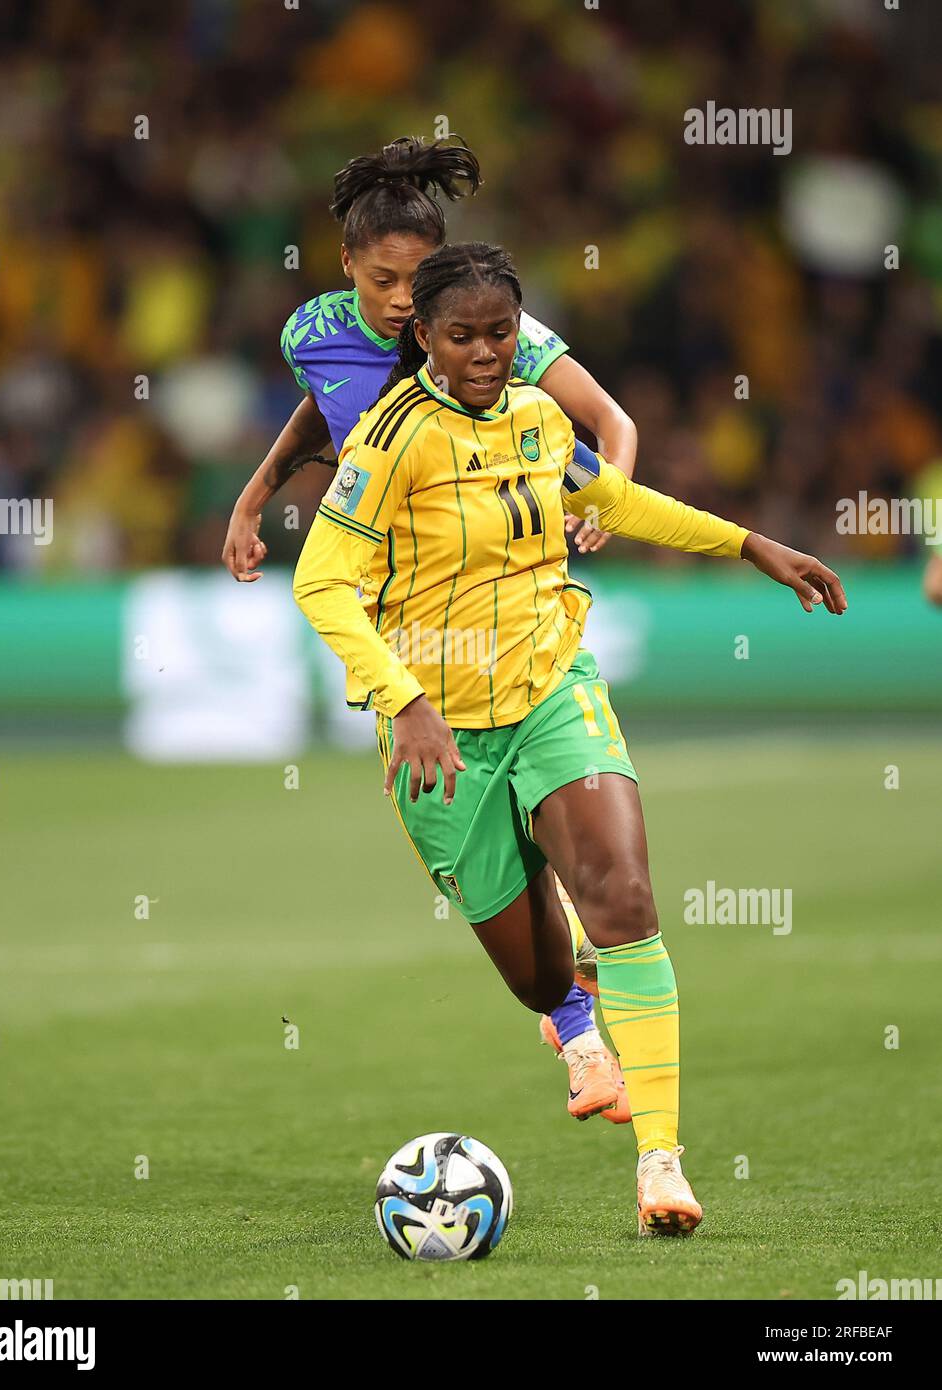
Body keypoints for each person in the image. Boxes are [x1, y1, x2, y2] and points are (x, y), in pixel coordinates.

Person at [291, 242, 847, 1235]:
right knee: (542, 976)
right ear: (422, 336)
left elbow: (610, 498)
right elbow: (321, 582)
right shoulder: (388, 440)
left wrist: (748, 542)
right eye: (459, 336)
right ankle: (568, 1002)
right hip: (439, 736)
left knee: (626, 899)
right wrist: (402, 698)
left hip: (553, 684)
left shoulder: (539, 418)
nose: (483, 353)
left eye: (499, 333)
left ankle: (661, 1165)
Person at [224, 137, 640, 1124]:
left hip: (508, 605)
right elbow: (322, 412)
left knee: (577, 826)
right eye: (383, 281)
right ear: (344, 270)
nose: (404, 301)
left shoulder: (490, 334)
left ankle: (592, 1041)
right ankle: (563, 1007)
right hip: (401, 636)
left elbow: (606, 424)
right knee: (516, 932)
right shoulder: (314, 331)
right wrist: (252, 498)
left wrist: (607, 498)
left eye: (420, 278)